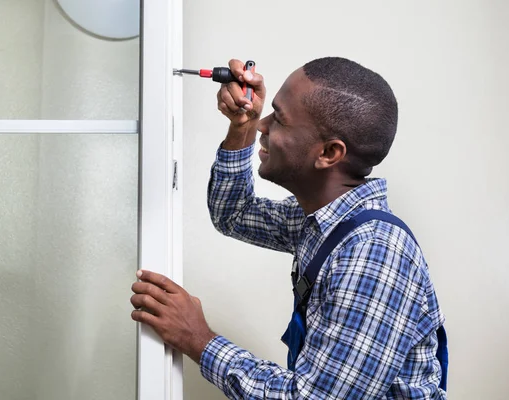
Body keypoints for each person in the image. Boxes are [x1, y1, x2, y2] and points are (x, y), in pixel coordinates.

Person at [130, 57, 446, 399]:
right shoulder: (323, 221)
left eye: (278, 119)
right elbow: (233, 214)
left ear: (328, 153)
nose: (263, 125)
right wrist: (242, 126)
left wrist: (198, 338)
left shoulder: (374, 253)